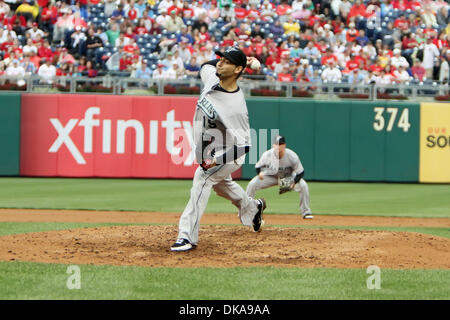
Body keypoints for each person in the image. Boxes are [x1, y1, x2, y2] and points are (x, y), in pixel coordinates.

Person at [171, 47, 266, 252]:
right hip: (209, 149)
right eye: (220, 59)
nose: (220, 63)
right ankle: (253, 207)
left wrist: (216, 161)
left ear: (237, 69)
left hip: (228, 153)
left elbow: (245, 146)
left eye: (226, 61)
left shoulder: (235, 107)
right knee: (221, 185)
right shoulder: (212, 78)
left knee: (203, 179)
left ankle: (186, 236)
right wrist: (248, 63)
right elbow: (205, 66)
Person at [246, 135, 313, 220]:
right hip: (271, 177)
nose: (278, 146)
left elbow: (301, 172)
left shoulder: (291, 156)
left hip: (286, 178)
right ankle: (246, 210)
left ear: (284, 145)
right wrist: (259, 174)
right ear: (273, 145)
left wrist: (293, 183)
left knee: (303, 185)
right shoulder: (267, 155)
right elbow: (258, 166)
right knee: (252, 184)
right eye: (276, 144)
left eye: (280, 144)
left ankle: (306, 212)